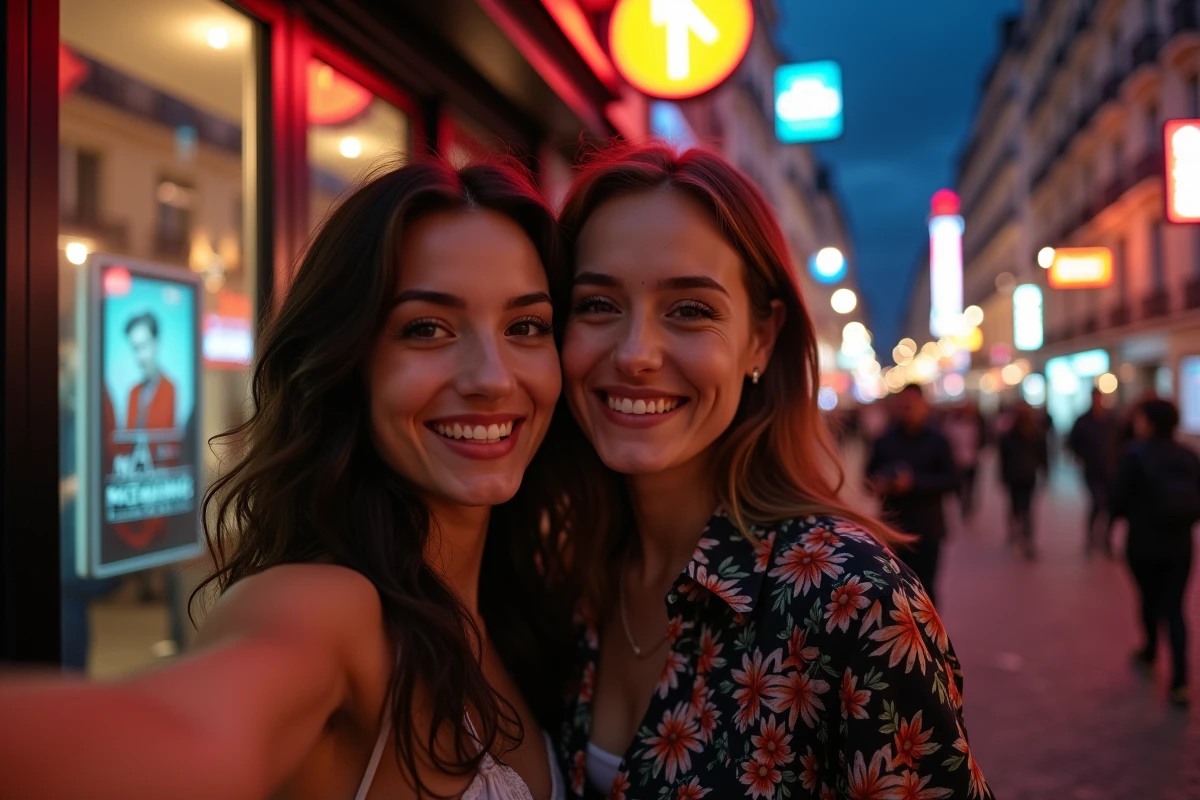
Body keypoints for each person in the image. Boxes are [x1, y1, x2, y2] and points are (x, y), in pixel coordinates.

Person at [0, 159, 575, 799]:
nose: (492, 377)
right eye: (426, 328)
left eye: (526, 326)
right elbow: (183, 732)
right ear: (349, 362)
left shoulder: (529, 607)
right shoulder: (325, 609)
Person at [553, 145, 990, 800]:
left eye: (690, 310)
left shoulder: (853, 602)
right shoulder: (563, 574)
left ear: (761, 338)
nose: (636, 353)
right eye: (596, 305)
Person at [1111, 398, 1199, 709]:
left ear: (1147, 422)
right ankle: (1180, 681)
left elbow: (1118, 500)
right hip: (1180, 545)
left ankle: (1149, 651)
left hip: (1144, 543)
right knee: (1175, 609)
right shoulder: (1188, 455)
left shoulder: (1135, 455)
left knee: (1149, 600)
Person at [866, 384, 959, 604]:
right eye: (902, 405)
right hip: (893, 526)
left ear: (924, 406)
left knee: (926, 588)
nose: (906, 409)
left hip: (927, 529)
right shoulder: (884, 440)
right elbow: (867, 477)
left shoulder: (938, 440)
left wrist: (914, 483)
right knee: (895, 590)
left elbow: (952, 480)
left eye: (911, 405)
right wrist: (880, 483)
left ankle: (929, 637)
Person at [1068, 388, 1119, 556]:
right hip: (1092, 469)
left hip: (1110, 469)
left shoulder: (1110, 419)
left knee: (1109, 505)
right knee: (1097, 501)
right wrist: (1080, 456)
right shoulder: (1083, 420)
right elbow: (1072, 442)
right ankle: (1091, 537)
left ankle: (1105, 537)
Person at [998, 402, 1049, 560]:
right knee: (1025, 508)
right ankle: (1024, 534)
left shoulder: (1015, 435)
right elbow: (1043, 456)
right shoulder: (1033, 433)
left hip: (1019, 476)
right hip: (1024, 475)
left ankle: (1020, 532)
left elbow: (1042, 454)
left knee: (1019, 506)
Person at [124, 312, 176, 431]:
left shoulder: (170, 388)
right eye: (135, 349)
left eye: (144, 346)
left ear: (156, 344)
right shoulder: (133, 393)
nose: (140, 357)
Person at [943, 402, 984, 518]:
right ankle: (962, 502)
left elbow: (980, 439)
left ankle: (968, 504)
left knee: (970, 484)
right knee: (959, 485)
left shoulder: (974, 423)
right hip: (957, 460)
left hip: (972, 459)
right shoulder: (952, 424)